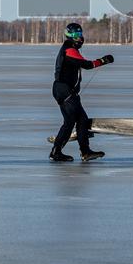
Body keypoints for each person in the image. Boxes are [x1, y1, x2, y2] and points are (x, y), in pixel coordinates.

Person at [50, 22, 114, 162]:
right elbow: (87, 65)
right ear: (69, 36)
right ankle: (58, 152)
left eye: (80, 34)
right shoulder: (69, 49)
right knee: (71, 122)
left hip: (64, 90)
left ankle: (84, 152)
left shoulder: (70, 49)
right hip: (64, 90)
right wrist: (104, 60)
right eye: (75, 35)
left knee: (80, 120)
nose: (79, 37)